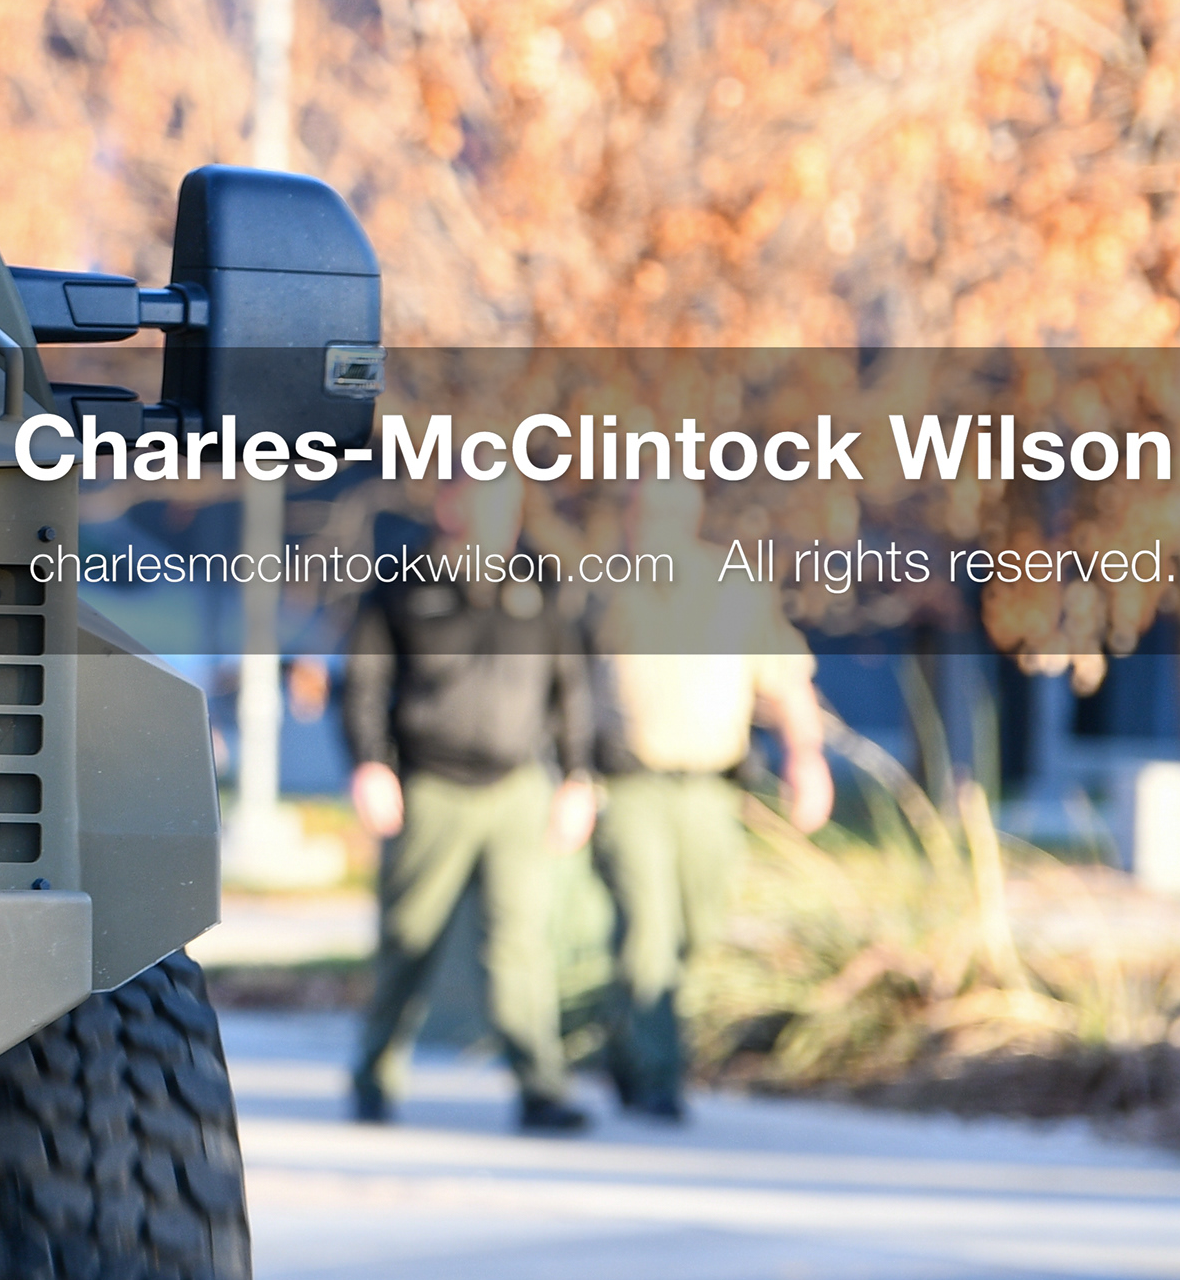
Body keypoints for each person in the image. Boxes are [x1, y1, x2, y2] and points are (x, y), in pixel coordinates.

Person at [342, 467, 600, 1132]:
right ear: (450, 505)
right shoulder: (401, 582)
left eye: (507, 505)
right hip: (431, 786)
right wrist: (371, 766)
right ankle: (374, 1075)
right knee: (410, 937)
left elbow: (570, 687)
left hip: (516, 788)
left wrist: (578, 776)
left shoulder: (538, 585)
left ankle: (540, 1087)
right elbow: (366, 685)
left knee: (519, 944)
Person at [588, 480, 833, 1123]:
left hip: (710, 792)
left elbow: (785, 680)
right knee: (646, 929)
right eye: (644, 512)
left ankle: (626, 1040)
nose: (655, 525)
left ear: (692, 515)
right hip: (630, 786)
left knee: (697, 931)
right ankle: (656, 1076)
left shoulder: (736, 589)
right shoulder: (602, 589)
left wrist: (805, 759)